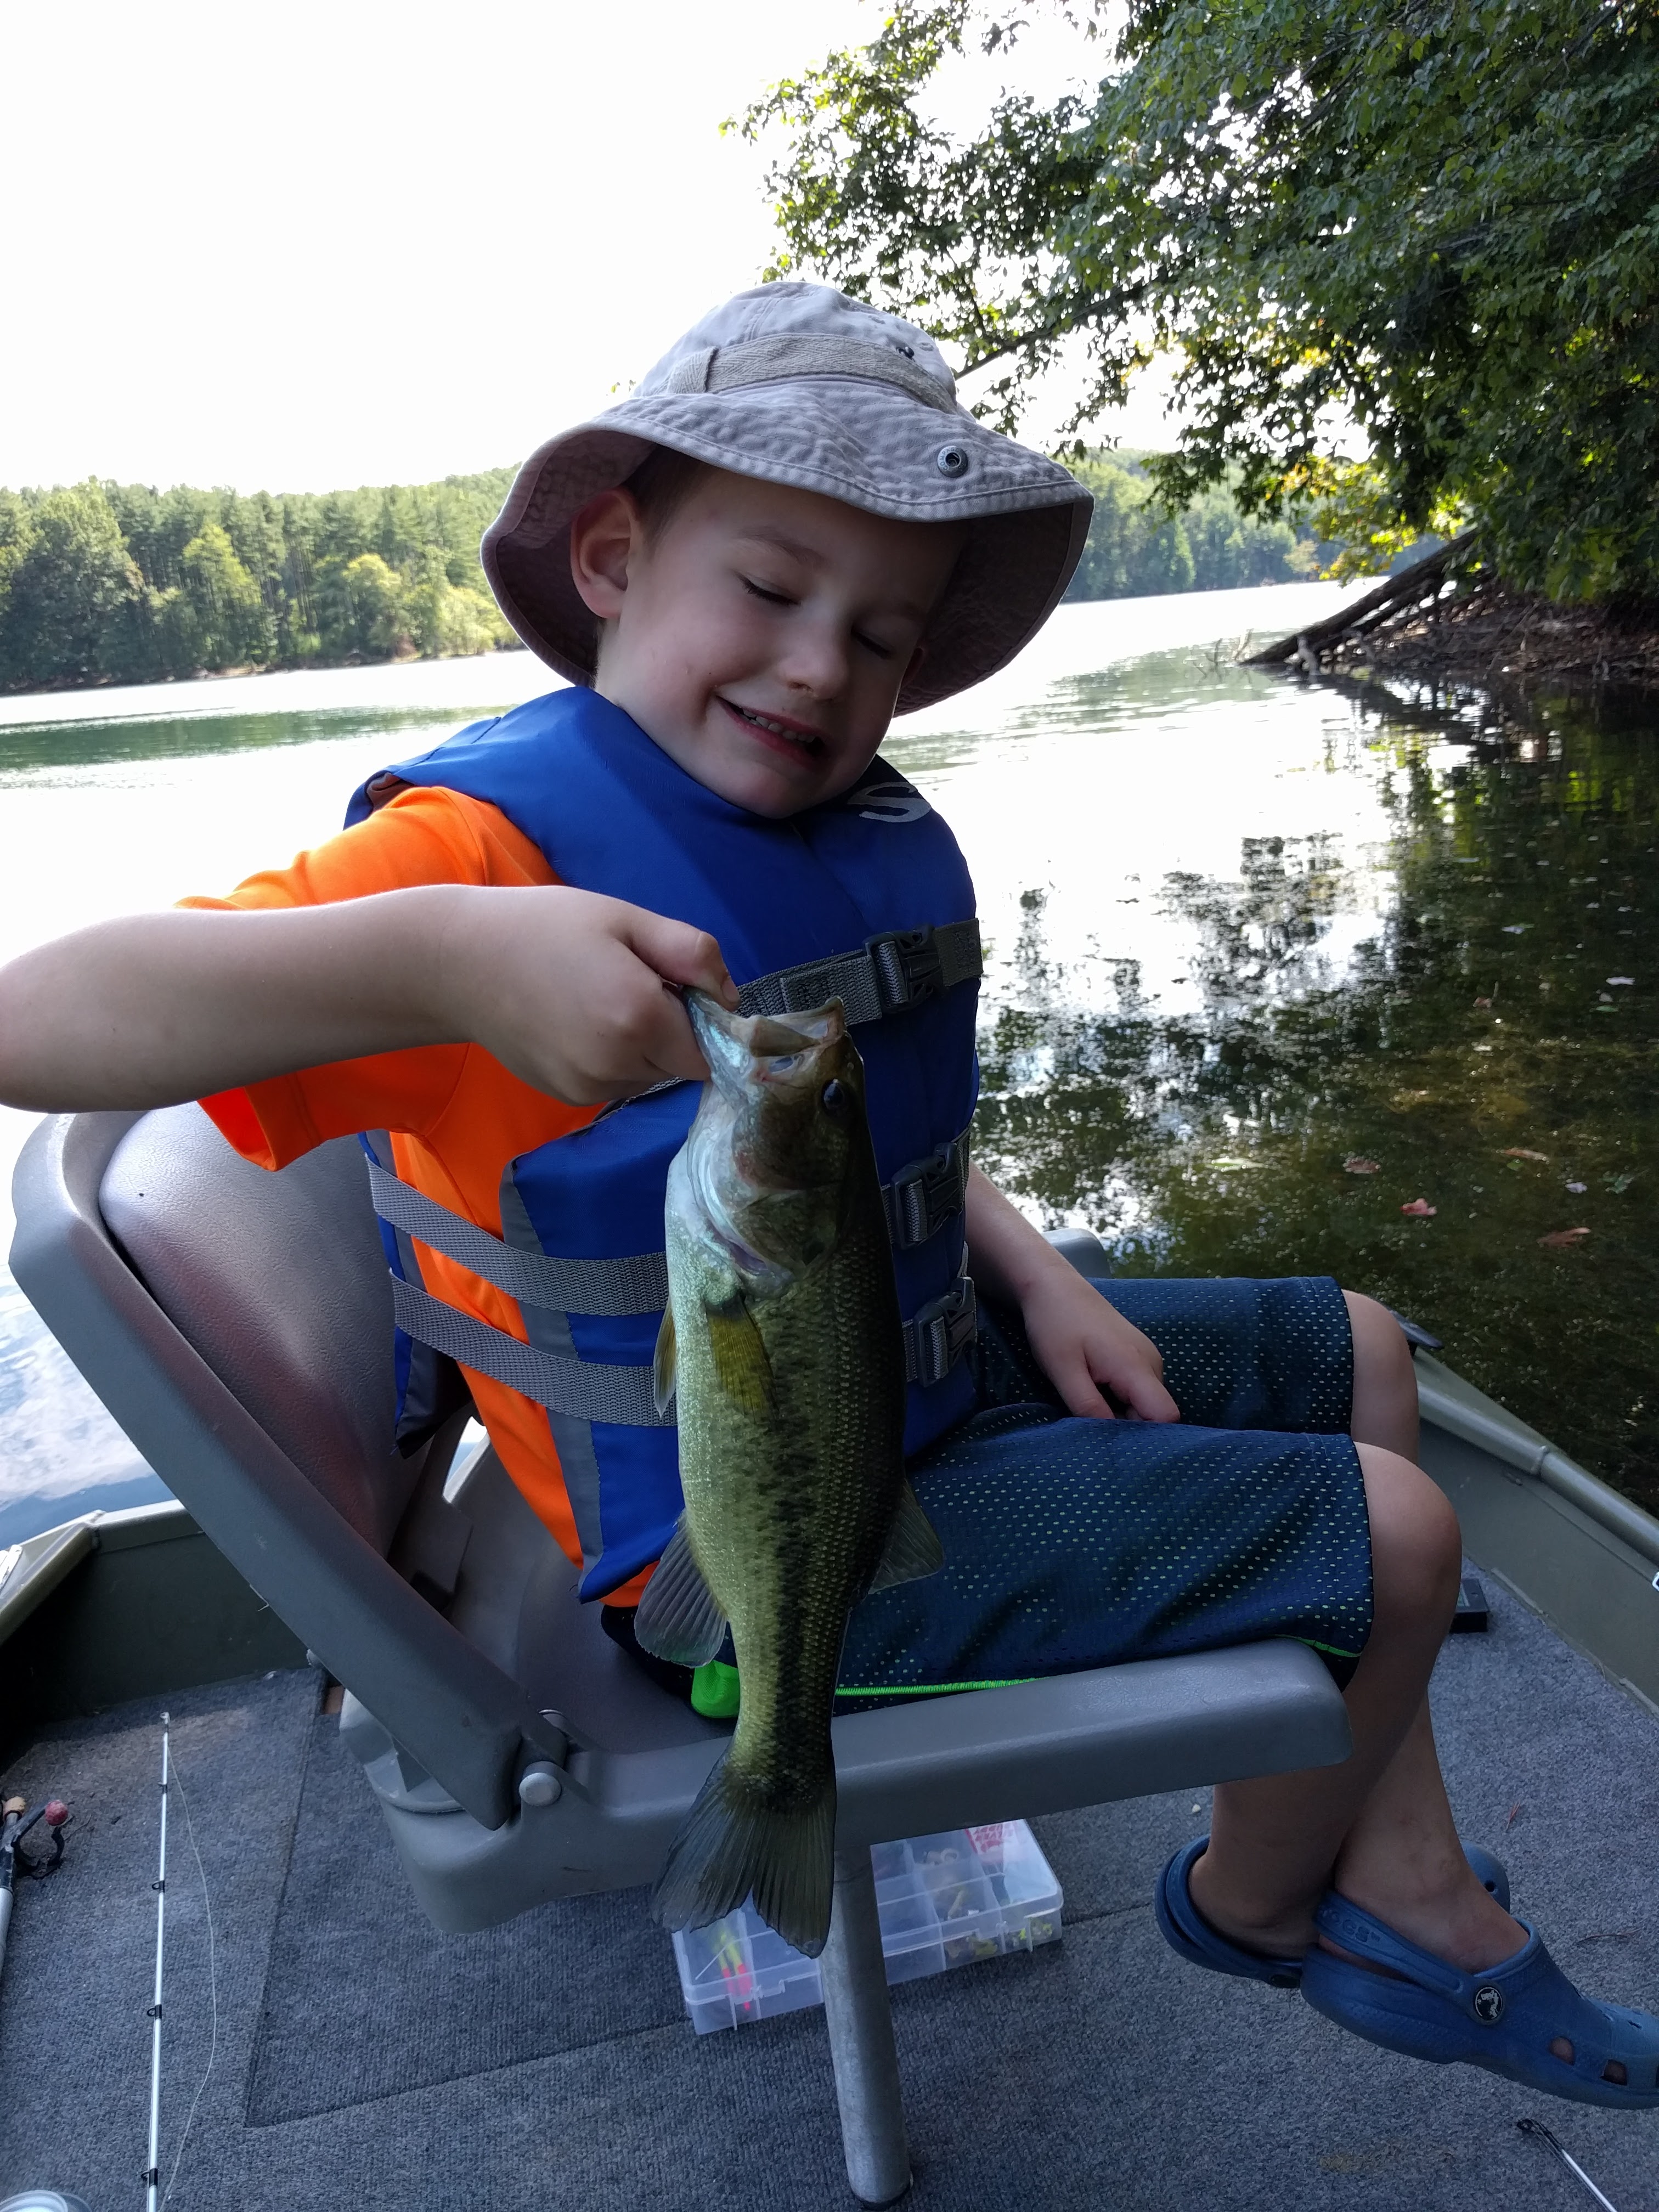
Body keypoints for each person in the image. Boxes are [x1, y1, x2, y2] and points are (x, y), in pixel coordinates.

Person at [0, 282, 1651, 2108]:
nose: (818, 669)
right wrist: (445, 956)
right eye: (773, 589)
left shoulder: (833, 833)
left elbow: (863, 1156)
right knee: (1403, 1538)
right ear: (612, 559)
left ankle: (1400, 1870)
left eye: (881, 635)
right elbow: (32, 1018)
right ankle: (1256, 1907)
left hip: (890, 1376)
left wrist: (1038, 1273)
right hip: (743, 1561)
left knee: (1359, 1352)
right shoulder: (473, 857)